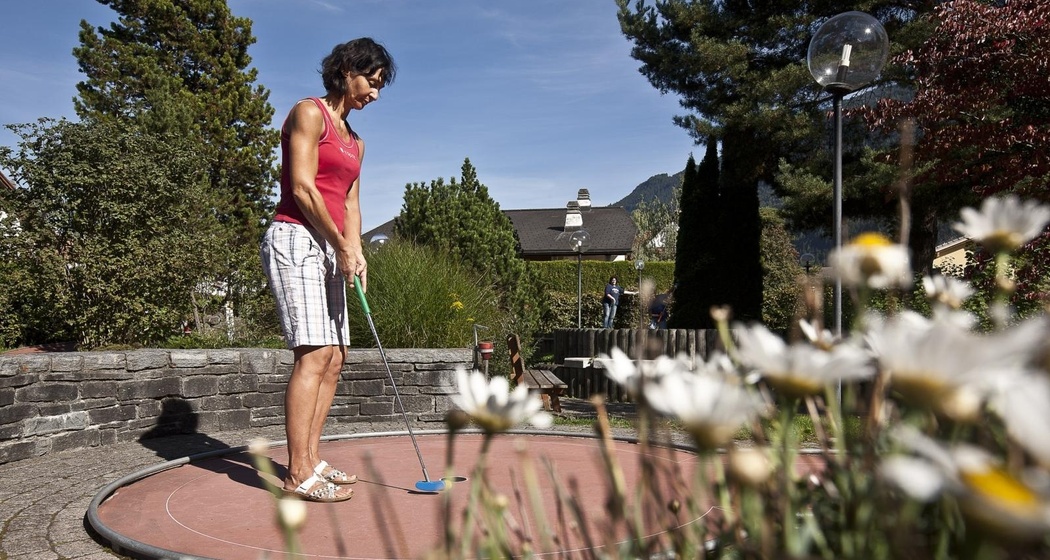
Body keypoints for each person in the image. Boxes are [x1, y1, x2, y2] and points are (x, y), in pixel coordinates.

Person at [259, 38, 396, 503]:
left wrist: (356, 251)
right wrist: (339, 243)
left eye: (380, 85)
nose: (374, 93)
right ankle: (297, 473)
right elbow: (302, 188)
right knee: (314, 354)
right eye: (370, 81)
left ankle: (312, 460)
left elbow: (351, 205)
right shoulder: (309, 113)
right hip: (296, 236)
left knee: (336, 357)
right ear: (345, 70)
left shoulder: (356, 142)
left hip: (333, 245)